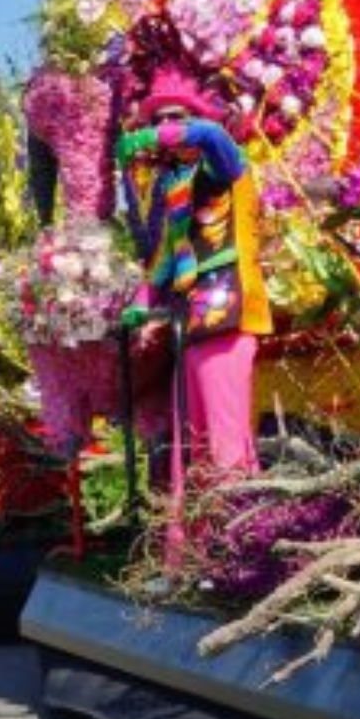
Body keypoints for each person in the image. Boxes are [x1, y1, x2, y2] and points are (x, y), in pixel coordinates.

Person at [116, 65, 271, 567]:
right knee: (196, 448)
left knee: (224, 446)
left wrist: (159, 129)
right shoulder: (175, 189)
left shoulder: (226, 163)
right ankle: (204, 556)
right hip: (193, 328)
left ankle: (238, 557)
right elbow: (162, 262)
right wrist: (136, 309)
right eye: (157, 120)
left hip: (226, 322)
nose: (165, 129)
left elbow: (211, 136)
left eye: (173, 119)